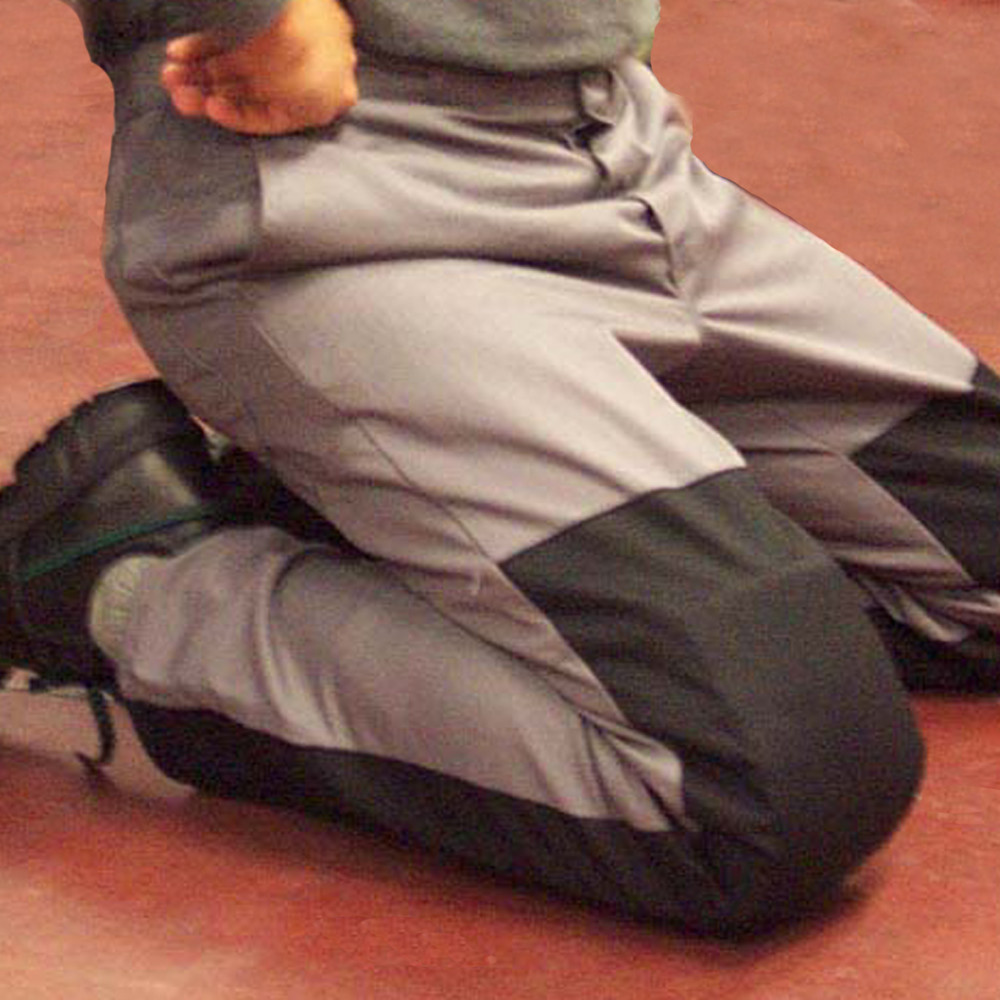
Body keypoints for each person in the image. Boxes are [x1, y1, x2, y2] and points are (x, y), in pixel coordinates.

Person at [2, 0, 997, 936]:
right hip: (337, 191)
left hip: (614, 146)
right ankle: (135, 575)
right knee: (770, 774)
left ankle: (377, 511)